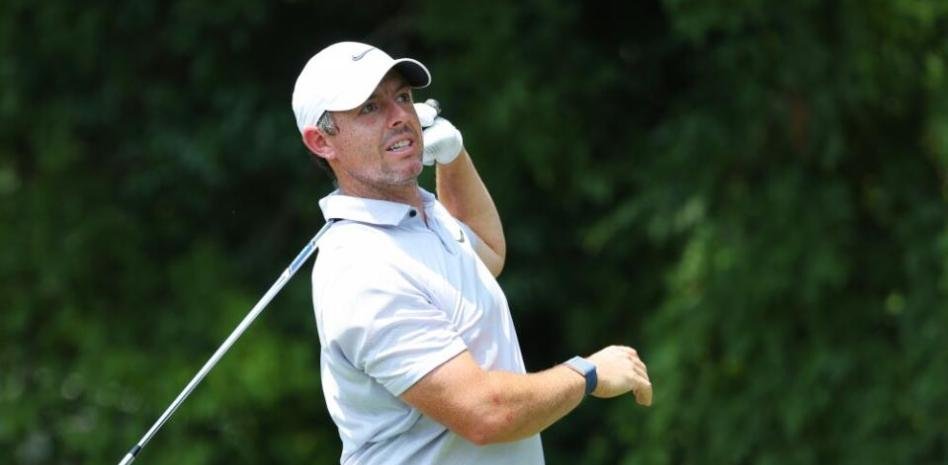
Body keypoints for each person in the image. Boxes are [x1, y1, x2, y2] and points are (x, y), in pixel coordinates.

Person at [291, 41, 652, 465]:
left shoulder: (420, 218)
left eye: (402, 97)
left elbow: (487, 252)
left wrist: (453, 156)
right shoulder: (363, 268)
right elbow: (485, 413)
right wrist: (588, 374)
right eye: (370, 108)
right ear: (321, 141)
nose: (400, 116)